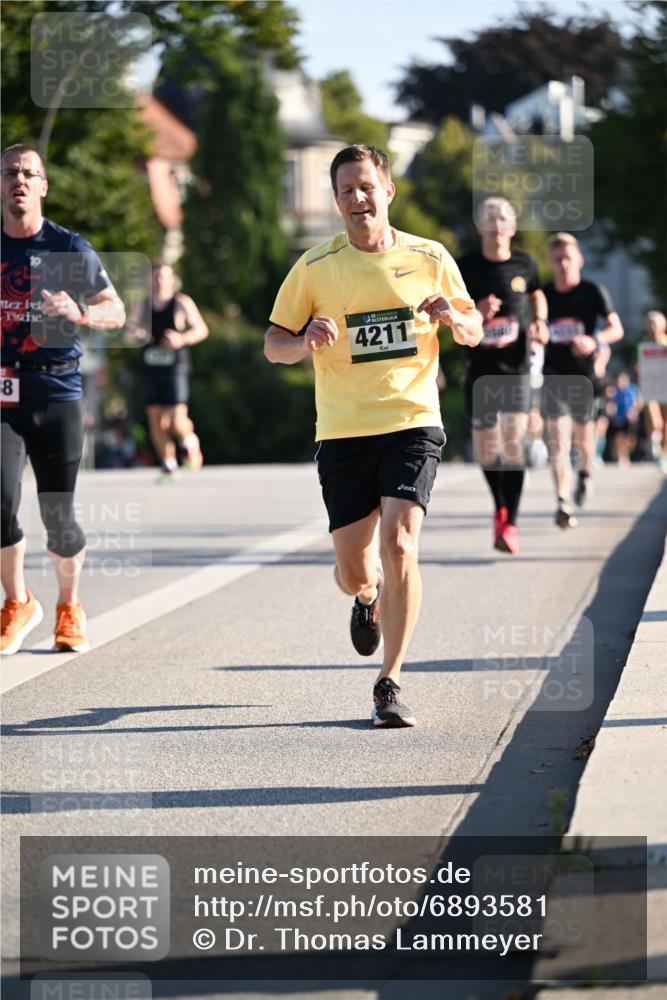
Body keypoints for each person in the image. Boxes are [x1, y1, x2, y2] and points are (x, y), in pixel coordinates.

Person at [264, 144, 482, 728]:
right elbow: (273, 344)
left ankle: (390, 681)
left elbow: (474, 330)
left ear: (387, 190)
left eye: (365, 186)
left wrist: (452, 317)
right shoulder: (315, 267)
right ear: (335, 200)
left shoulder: (430, 256)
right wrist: (303, 337)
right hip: (343, 431)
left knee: (402, 543)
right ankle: (367, 599)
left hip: (412, 420)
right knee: (355, 570)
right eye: (345, 191)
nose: (357, 198)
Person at [1, 143, 125, 655]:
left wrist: (80, 314)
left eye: (30, 173)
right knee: (0, 502)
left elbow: (115, 311)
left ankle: (69, 605)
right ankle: (16, 601)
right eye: (9, 172)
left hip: (57, 389)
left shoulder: (69, 248)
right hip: (3, 392)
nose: (20, 180)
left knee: (58, 514)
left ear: (43, 186)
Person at [457, 197, 549, 555]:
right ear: (480, 225)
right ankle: (500, 504)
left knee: (513, 443)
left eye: (504, 218)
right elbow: (451, 313)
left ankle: (509, 521)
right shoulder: (465, 267)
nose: (496, 224)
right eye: (490, 218)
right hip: (480, 370)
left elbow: (538, 293)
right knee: (486, 449)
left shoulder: (525, 263)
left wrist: (540, 320)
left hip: (517, 370)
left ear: (512, 227)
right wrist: (475, 312)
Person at [542, 232, 624, 526]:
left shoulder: (592, 291)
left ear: (579, 260)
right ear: (551, 263)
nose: (563, 264)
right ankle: (562, 501)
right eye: (558, 259)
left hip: (584, 376)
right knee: (557, 440)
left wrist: (594, 339)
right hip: (552, 375)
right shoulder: (545, 295)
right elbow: (534, 328)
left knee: (584, 439)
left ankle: (585, 474)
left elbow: (617, 329)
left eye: (568, 258)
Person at [125, 261, 208, 480]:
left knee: (176, 420)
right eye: (155, 276)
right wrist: (137, 334)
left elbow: (201, 329)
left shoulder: (181, 303)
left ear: (171, 279)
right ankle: (169, 465)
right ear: (149, 280)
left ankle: (189, 442)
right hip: (150, 367)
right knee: (155, 419)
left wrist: (182, 338)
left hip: (175, 367)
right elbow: (128, 333)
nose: (159, 280)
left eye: (163, 276)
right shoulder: (142, 305)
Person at [641, 310, 667, 470]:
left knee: (666, 422)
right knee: (655, 420)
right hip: (650, 387)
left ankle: (663, 453)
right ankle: (654, 438)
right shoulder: (643, 344)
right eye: (650, 324)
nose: (652, 327)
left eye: (655, 324)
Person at [607, 370, 642, 467]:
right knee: (619, 438)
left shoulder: (633, 389)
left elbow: (639, 403)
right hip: (619, 418)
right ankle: (622, 457)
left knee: (630, 439)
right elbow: (611, 403)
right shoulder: (614, 391)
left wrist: (634, 410)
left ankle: (626, 454)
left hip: (631, 420)